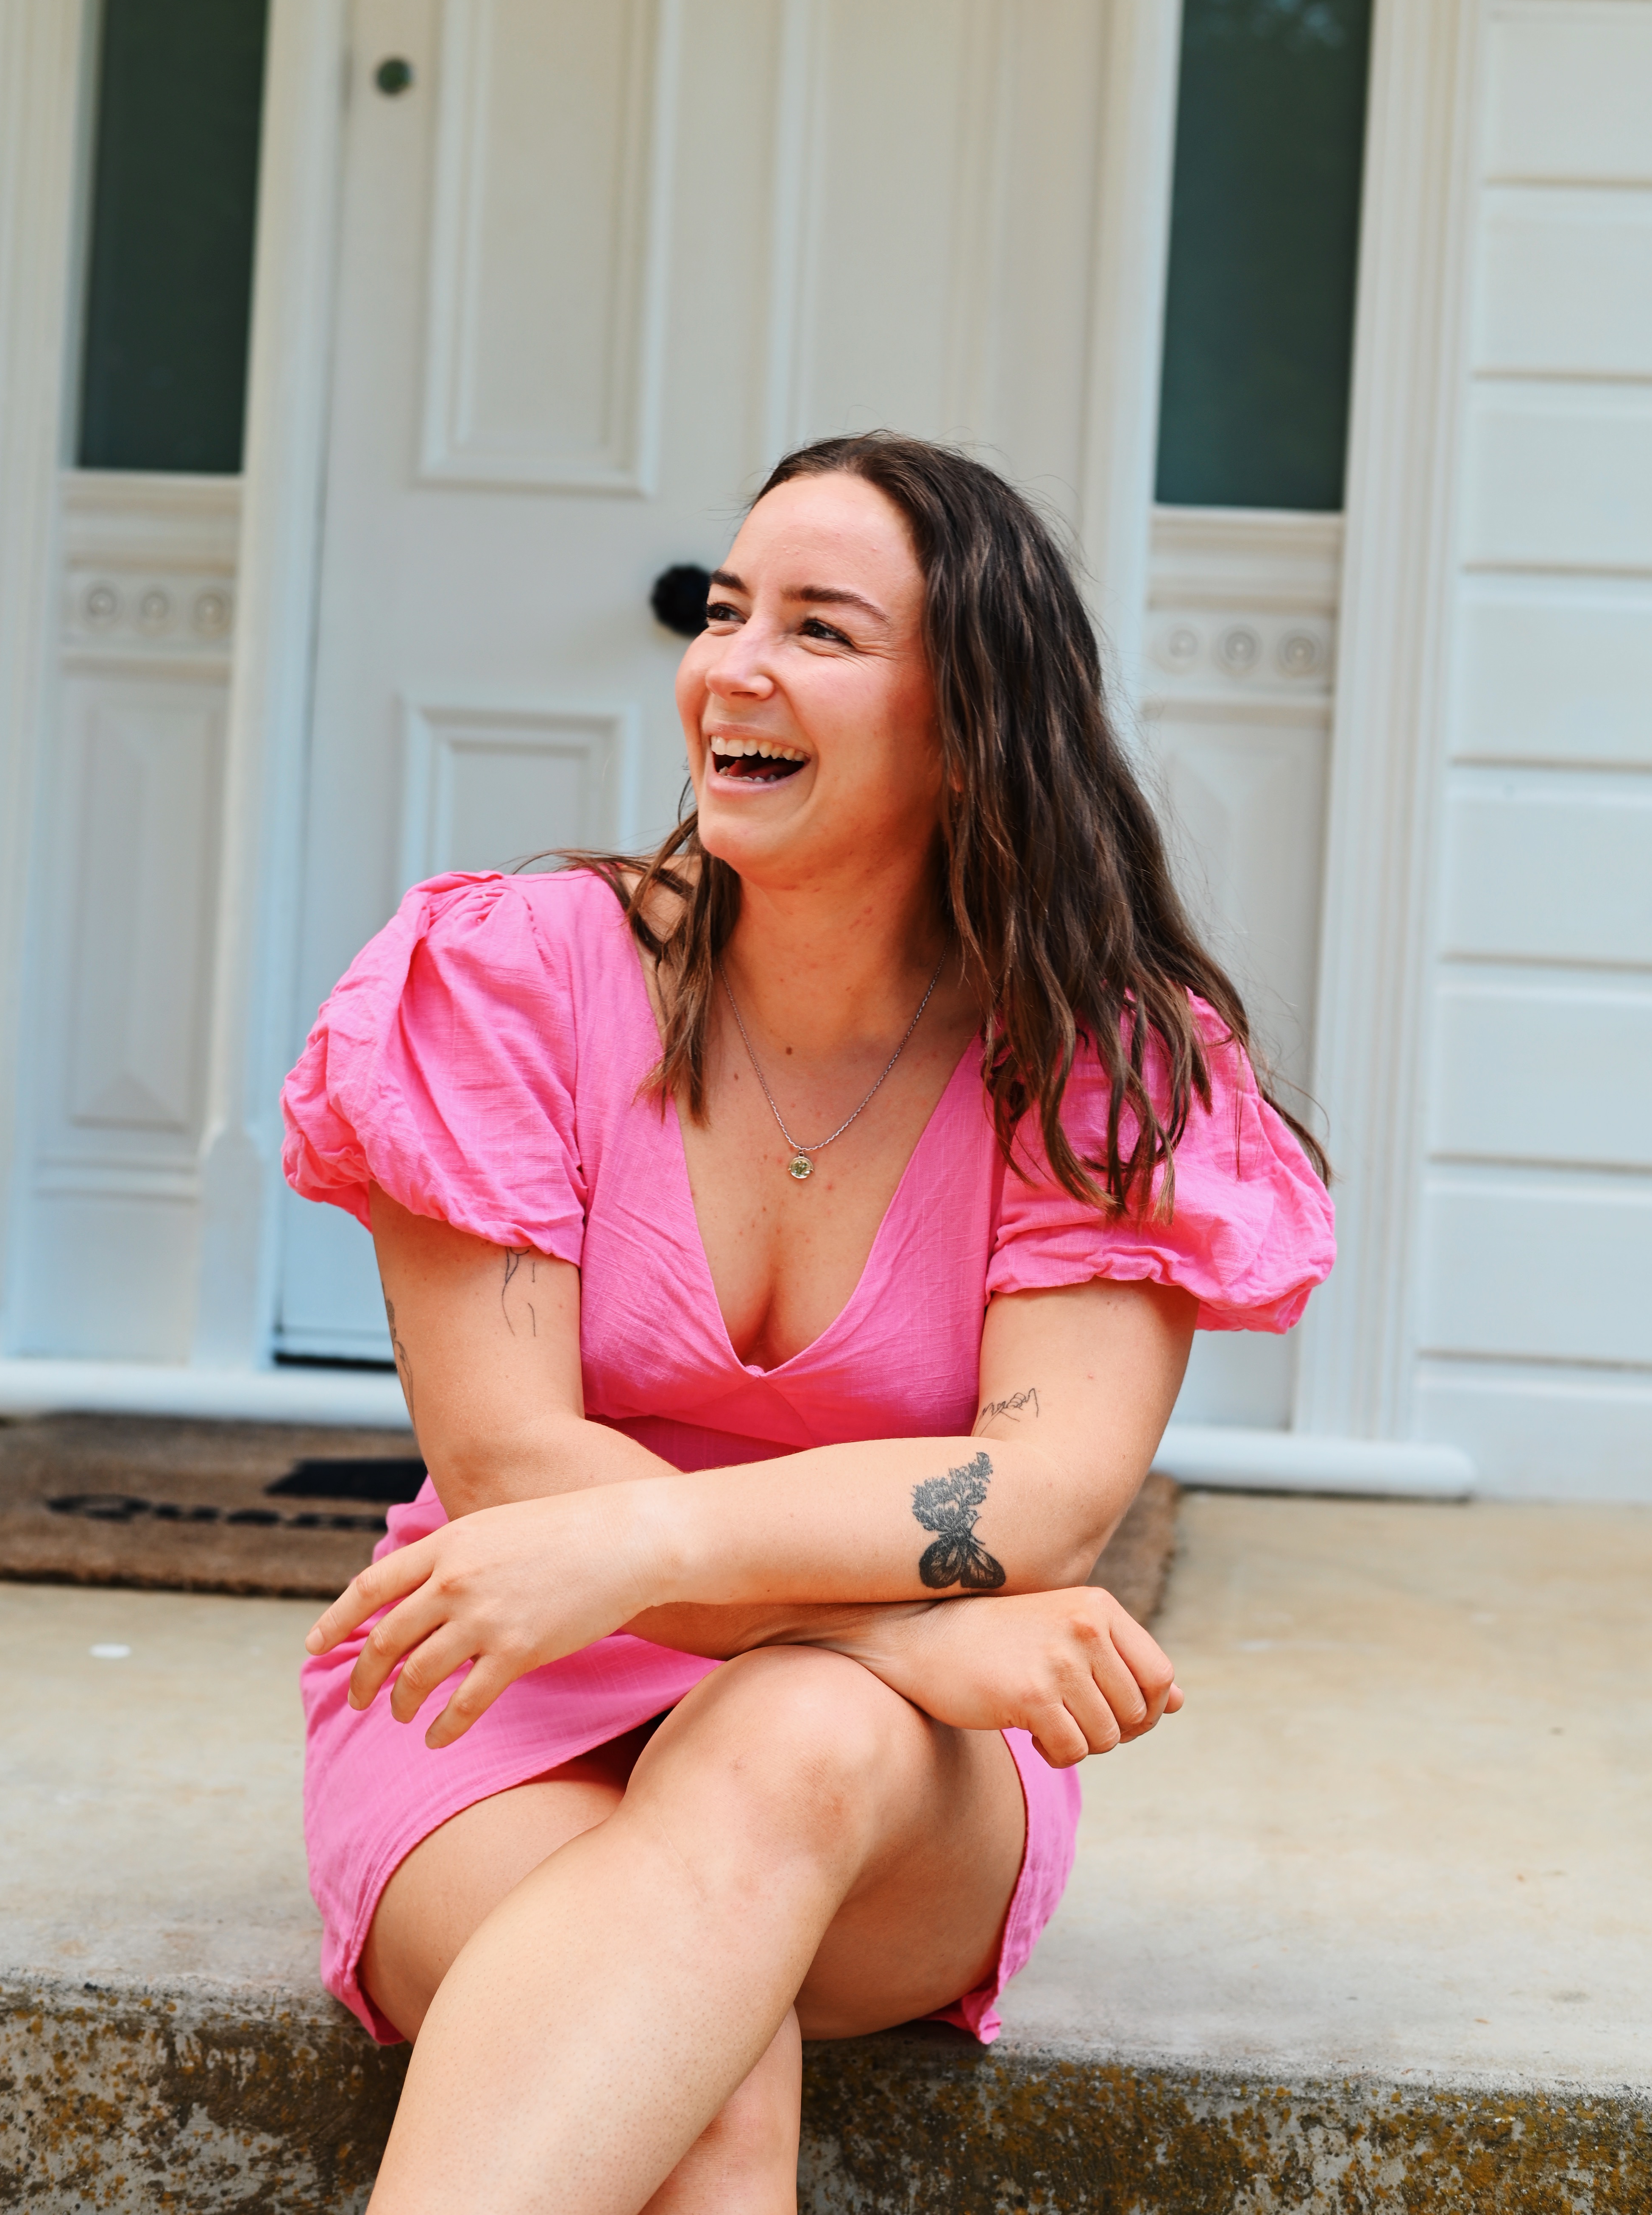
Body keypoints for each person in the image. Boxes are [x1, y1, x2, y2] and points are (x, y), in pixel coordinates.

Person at [283, 432, 1334, 2214]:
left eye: (820, 629)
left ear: (968, 715)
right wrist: (910, 1628)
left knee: (790, 1738)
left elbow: (1044, 1498)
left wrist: (770, 1609)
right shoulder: (512, 975)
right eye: (723, 609)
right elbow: (505, 1460)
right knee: (694, 2062)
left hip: (887, 1768)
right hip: (502, 1685)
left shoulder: (1100, 1057)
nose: (731, 666)